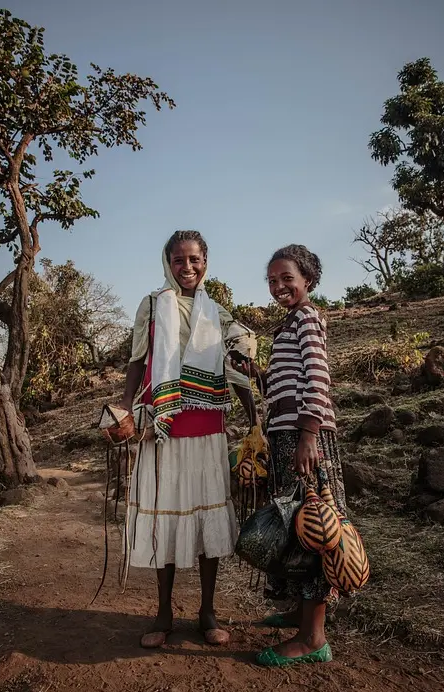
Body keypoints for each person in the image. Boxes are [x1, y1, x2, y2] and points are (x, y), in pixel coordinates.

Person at [119, 230, 257, 649]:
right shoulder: (152, 305)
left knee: (204, 517)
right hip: (160, 429)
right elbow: (137, 360)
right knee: (165, 515)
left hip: (205, 429)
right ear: (168, 263)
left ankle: (207, 610)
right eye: (179, 260)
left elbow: (237, 368)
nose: (188, 267)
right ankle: (163, 613)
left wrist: (256, 423)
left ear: (206, 261)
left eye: (195, 259)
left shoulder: (219, 314)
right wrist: (125, 408)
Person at [232, 244, 346, 667]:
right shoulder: (288, 324)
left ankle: (314, 638)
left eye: (288, 279)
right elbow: (286, 386)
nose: (279, 286)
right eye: (273, 280)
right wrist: (257, 375)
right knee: (294, 526)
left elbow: (318, 378)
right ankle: (300, 614)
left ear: (308, 282)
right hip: (286, 437)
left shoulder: (307, 318)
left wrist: (309, 436)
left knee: (315, 527)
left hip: (303, 438)